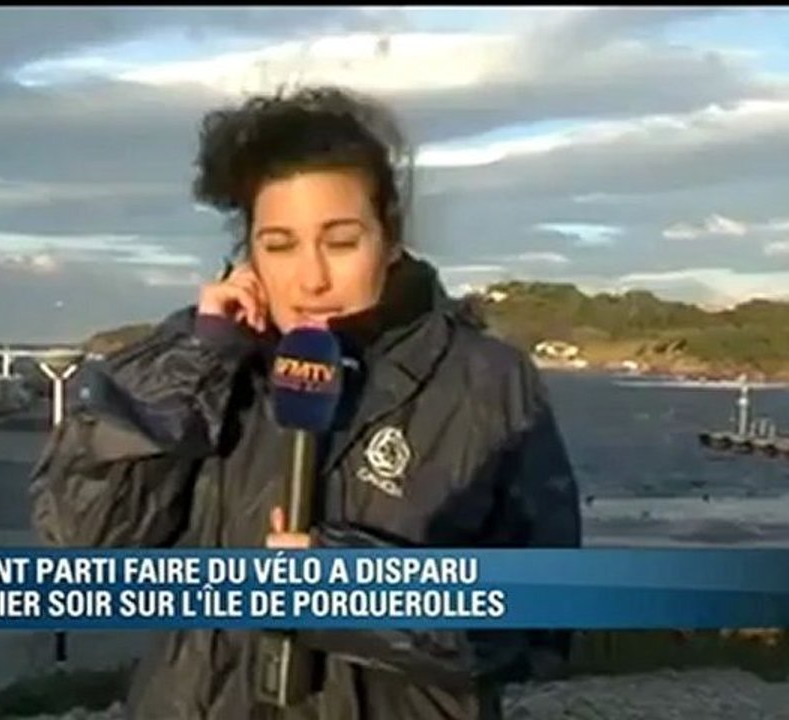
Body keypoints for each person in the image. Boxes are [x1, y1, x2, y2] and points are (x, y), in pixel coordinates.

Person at [29, 85, 582, 720]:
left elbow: (541, 626)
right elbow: (84, 542)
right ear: (248, 253)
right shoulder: (211, 369)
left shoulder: (486, 381)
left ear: (390, 237)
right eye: (280, 245)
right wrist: (195, 358)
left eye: (341, 242)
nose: (311, 278)